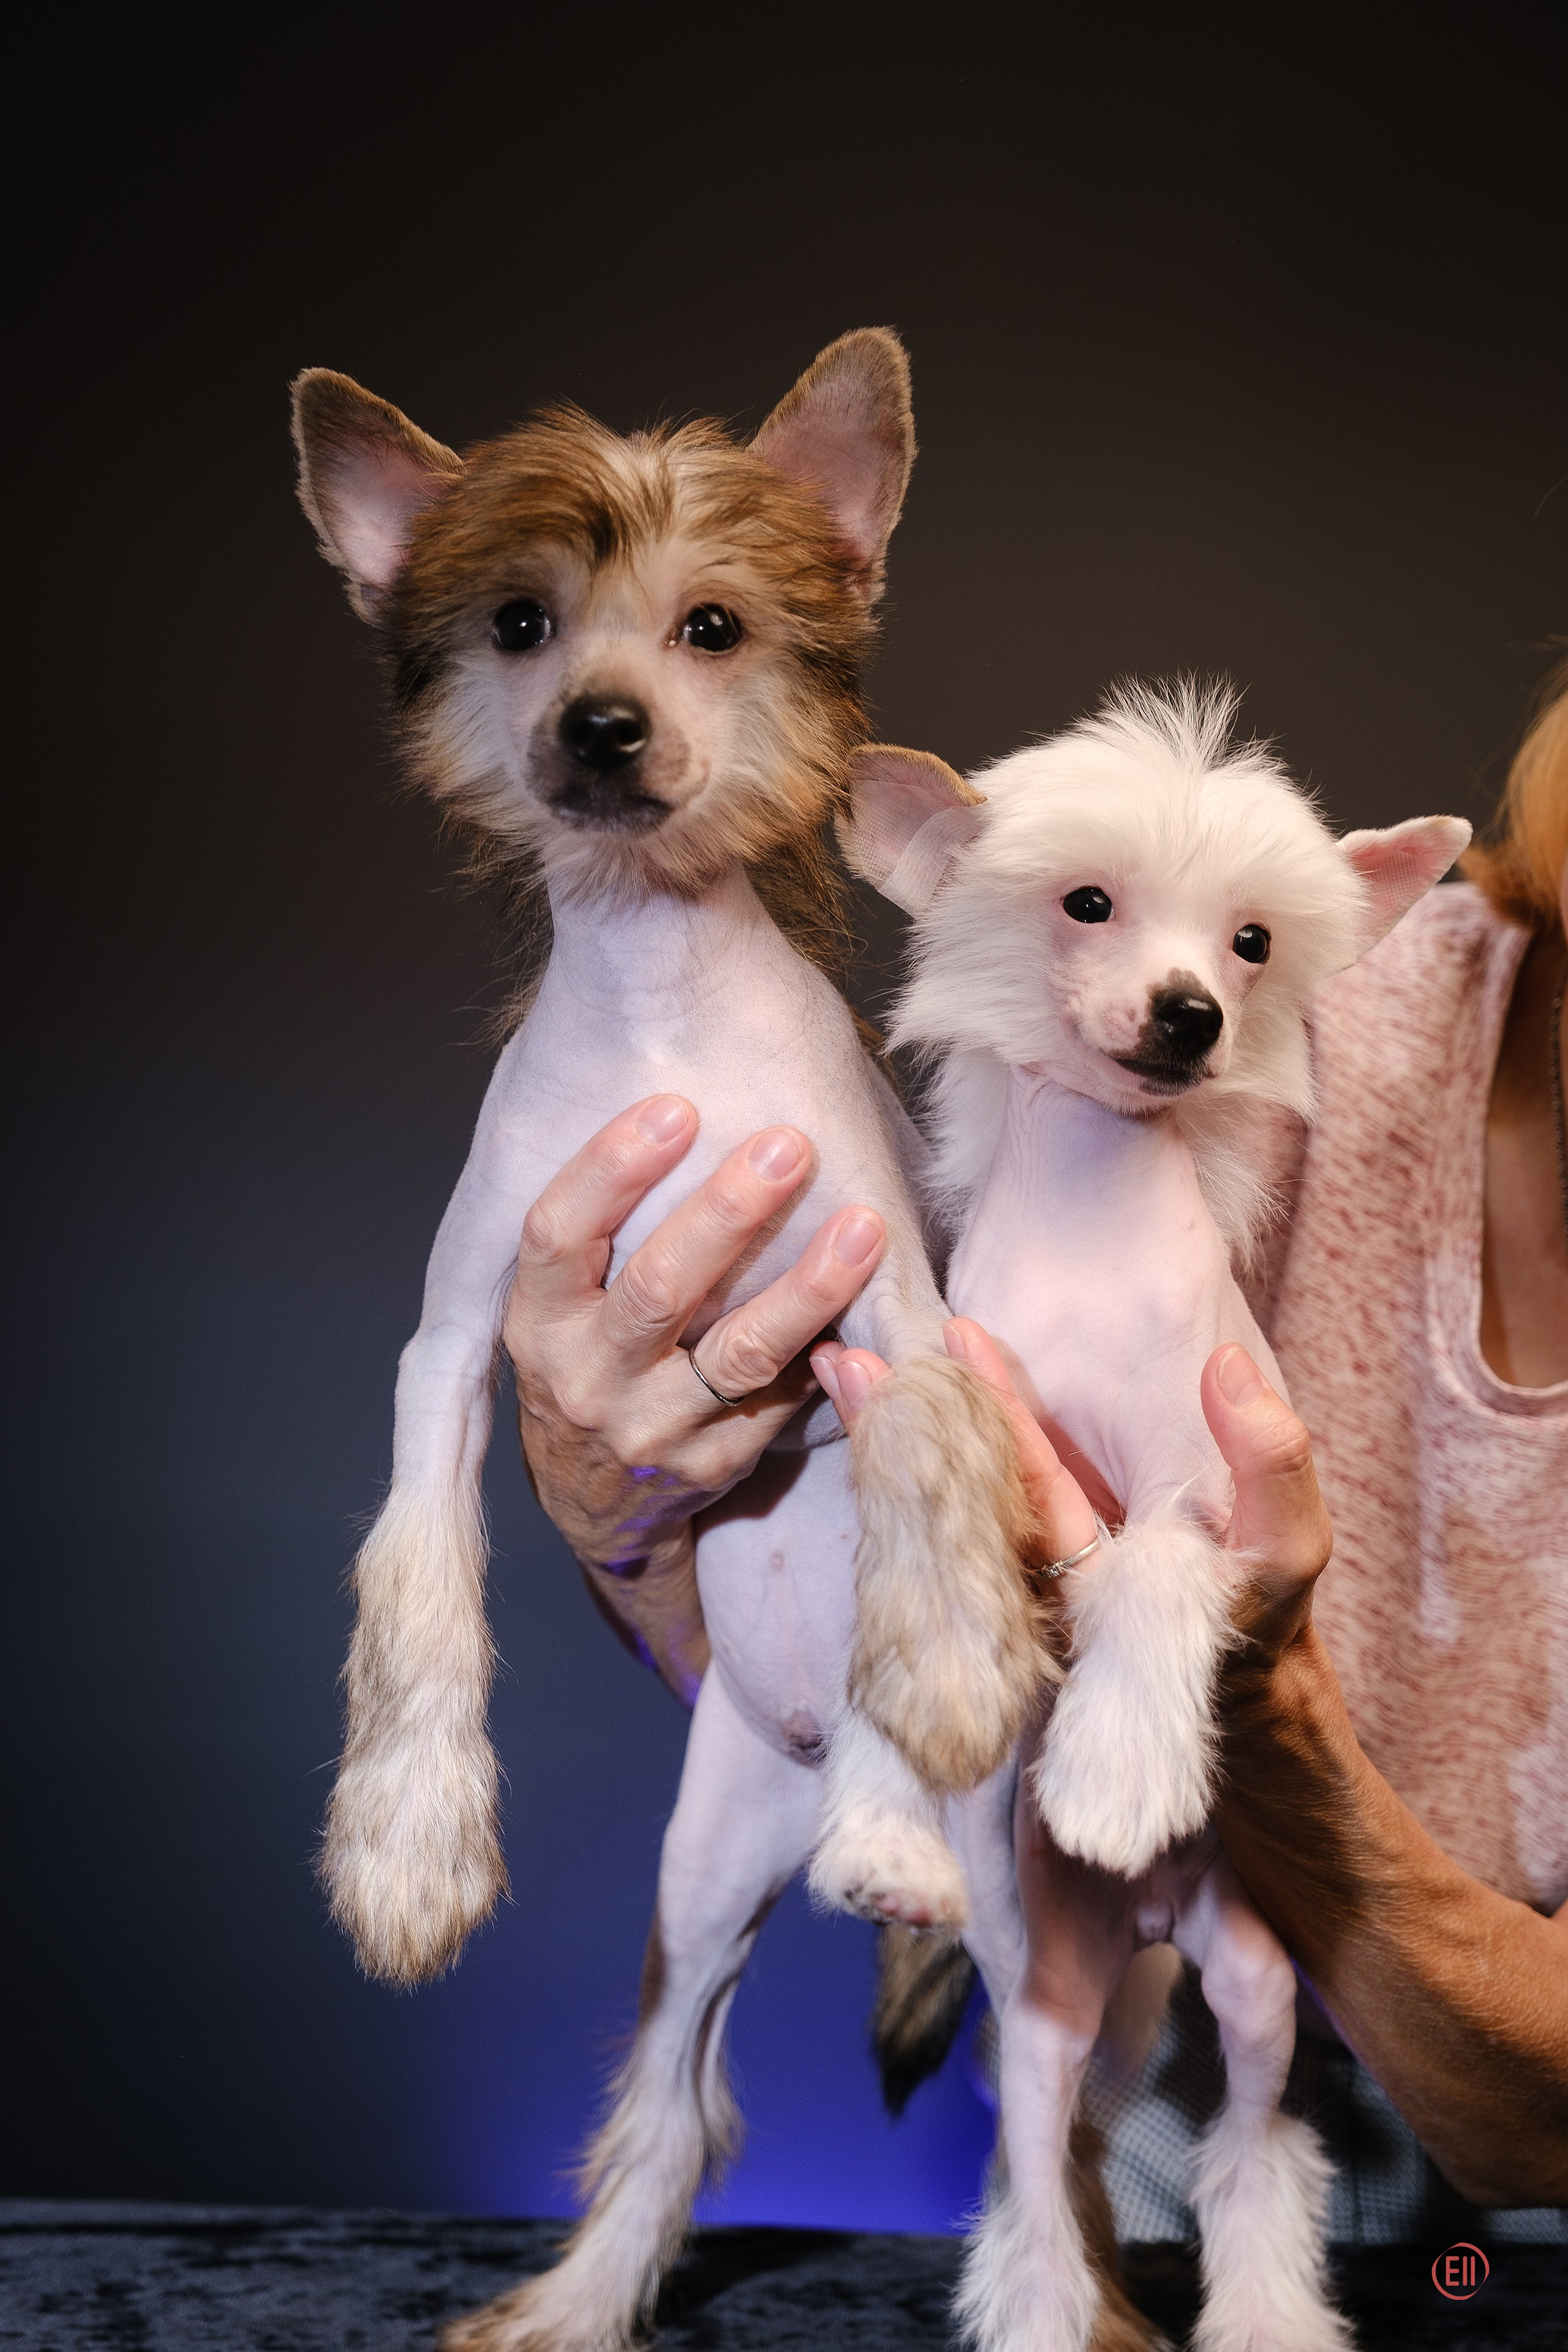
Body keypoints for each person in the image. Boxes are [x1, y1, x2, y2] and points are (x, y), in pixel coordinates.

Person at [505, 667, 1568, 2234]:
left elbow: (1539, 2127)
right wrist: (643, 1516)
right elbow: (839, 1573)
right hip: (1147, 2063)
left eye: (1242, 956)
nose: (1199, 983)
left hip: (1480, 2098)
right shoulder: (1312, 1003)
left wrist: (1241, 1700)